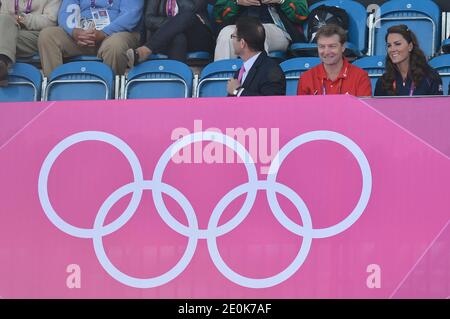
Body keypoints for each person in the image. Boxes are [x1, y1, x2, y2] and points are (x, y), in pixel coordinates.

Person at [37, 0, 144, 77]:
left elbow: (131, 14)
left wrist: (104, 32)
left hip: (115, 33)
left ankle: (109, 92)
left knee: (116, 45)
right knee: (47, 35)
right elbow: (66, 11)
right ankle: (57, 90)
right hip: (82, 35)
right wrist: (74, 31)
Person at [126, 0, 214, 66]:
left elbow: (192, 9)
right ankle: (177, 82)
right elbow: (149, 20)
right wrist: (173, 25)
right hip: (166, 39)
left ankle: (146, 49)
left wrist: (172, 25)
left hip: (197, 37)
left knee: (188, 16)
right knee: (178, 38)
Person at [213, 0, 309, 61]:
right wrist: (237, 2)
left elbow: (302, 14)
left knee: (256, 32)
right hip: (242, 25)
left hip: (276, 29)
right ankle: (220, 88)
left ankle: (257, 88)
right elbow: (219, 16)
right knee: (225, 34)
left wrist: (282, 1)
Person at [297, 24, 372, 97]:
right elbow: (301, 109)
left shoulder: (360, 77)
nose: (326, 52)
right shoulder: (306, 78)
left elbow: (364, 109)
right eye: (322, 46)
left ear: (343, 47)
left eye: (332, 46)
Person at [0, 0, 61, 86]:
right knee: (4, 28)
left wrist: (22, 19)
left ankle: (2, 64)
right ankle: (1, 63)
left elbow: (50, 21)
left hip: (39, 36)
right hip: (11, 35)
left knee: (4, 38)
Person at [374, 24, 443, 96]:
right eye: (389, 46)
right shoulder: (383, 81)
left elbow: (437, 106)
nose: (392, 49)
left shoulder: (430, 76)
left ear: (410, 46)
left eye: (397, 44)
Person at [226, 16, 285, 96]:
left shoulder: (272, 70)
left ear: (242, 43)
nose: (232, 40)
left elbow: (271, 104)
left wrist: (238, 91)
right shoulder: (239, 72)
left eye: (233, 37)